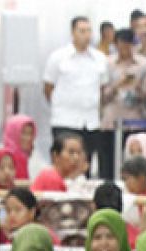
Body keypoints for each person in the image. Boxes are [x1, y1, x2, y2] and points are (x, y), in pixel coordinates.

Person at [43, 17, 108, 178]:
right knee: (63, 165)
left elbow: (102, 87)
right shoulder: (58, 57)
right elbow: (48, 88)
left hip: (91, 122)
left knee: (84, 166)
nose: (86, 35)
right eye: (82, 31)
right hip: (65, 120)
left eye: (89, 31)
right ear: (73, 33)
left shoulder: (99, 58)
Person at [102, 29, 146, 180]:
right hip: (111, 120)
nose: (125, 50)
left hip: (134, 120)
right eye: (121, 46)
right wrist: (118, 84)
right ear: (115, 45)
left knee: (132, 162)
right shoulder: (107, 63)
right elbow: (102, 95)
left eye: (128, 46)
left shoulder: (144, 64)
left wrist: (136, 87)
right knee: (108, 163)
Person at [2, 114, 36, 180]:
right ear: (13, 133)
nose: (28, 138)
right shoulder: (10, 158)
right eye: (24, 133)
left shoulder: (33, 157)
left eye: (31, 133)